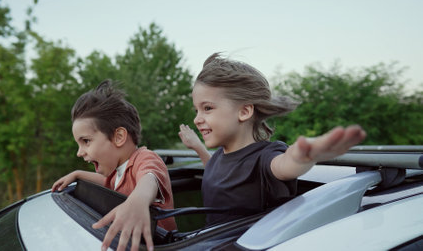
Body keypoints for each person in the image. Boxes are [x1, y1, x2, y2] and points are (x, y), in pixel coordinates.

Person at [178, 53, 366, 226]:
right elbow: (216, 171)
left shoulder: (264, 158)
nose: (197, 119)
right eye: (197, 110)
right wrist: (198, 147)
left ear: (244, 111)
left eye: (207, 108)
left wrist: (303, 156)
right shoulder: (220, 156)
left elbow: (284, 166)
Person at [51, 80, 176, 251]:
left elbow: (150, 178)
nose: (79, 152)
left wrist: (138, 201)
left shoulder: (145, 159)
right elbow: (107, 182)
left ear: (118, 137)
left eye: (86, 141)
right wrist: (78, 174)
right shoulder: (118, 171)